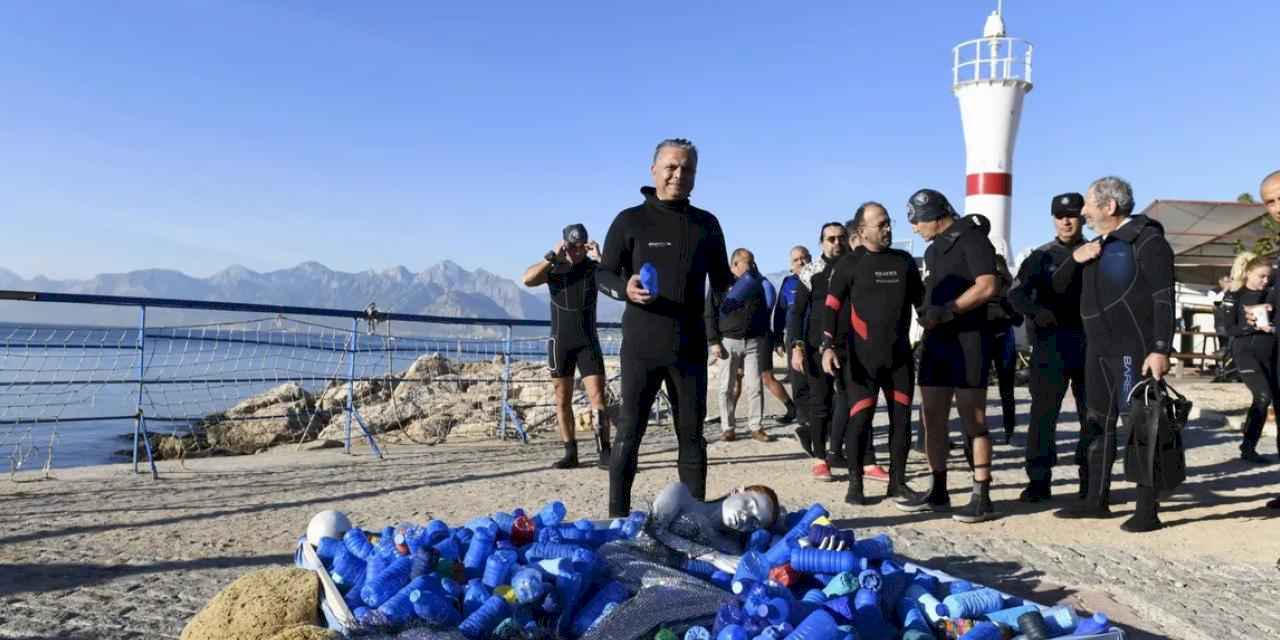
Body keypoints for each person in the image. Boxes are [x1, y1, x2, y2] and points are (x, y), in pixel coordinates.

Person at [598, 138, 735, 518]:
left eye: (687, 168)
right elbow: (603, 273)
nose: (679, 174)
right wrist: (623, 288)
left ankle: (692, 520)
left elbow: (723, 282)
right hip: (642, 345)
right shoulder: (630, 220)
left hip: (689, 347)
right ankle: (617, 518)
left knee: (692, 438)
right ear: (653, 170)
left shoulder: (706, 224)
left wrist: (744, 297)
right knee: (629, 434)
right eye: (671, 167)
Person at [1053, 176, 1175, 533]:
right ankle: (1096, 499)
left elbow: (1164, 296)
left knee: (1140, 426)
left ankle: (1147, 509)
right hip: (1098, 348)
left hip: (1132, 350)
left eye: (1089, 204)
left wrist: (1160, 348)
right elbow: (1056, 288)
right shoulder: (1096, 245)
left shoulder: (1147, 240)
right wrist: (1074, 259)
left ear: (1109, 206)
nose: (1083, 211)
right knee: (1097, 423)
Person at [896, 189, 1000, 523]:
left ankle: (981, 494)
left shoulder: (972, 239)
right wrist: (930, 314)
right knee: (932, 419)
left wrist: (949, 311)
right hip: (937, 342)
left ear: (934, 214)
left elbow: (987, 286)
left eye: (916, 221)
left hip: (970, 340)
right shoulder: (933, 250)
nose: (914, 228)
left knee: (974, 420)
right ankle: (938, 489)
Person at [820, 201, 923, 505]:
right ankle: (856, 485)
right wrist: (827, 347)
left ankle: (897, 482)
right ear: (862, 231)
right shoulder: (849, 264)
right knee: (860, 421)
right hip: (861, 359)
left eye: (889, 222)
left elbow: (923, 305)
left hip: (900, 358)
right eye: (881, 224)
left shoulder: (904, 262)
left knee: (901, 422)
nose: (889, 228)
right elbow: (830, 308)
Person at [1008, 193, 1089, 502]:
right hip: (1050, 346)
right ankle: (1039, 481)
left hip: (1088, 345)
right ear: (1053, 219)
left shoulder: (1097, 252)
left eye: (1072, 215)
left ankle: (1089, 479)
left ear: (1083, 218)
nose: (1066, 221)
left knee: (1091, 417)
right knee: (1043, 418)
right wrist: (1035, 311)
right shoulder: (1040, 256)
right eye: (1060, 216)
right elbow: (1015, 295)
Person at [521, 224, 617, 469]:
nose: (576, 251)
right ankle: (570, 452)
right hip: (560, 342)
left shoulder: (594, 269)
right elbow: (527, 279)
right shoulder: (554, 269)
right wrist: (551, 257)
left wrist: (601, 257)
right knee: (561, 398)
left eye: (580, 247)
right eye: (571, 246)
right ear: (564, 244)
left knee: (598, 397)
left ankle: (604, 452)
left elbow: (618, 283)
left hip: (588, 342)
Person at [787, 222, 848, 482]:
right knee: (820, 403)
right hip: (814, 347)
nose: (836, 243)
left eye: (840, 238)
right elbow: (797, 313)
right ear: (821, 243)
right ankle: (821, 459)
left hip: (849, 346)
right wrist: (797, 347)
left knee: (849, 403)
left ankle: (842, 452)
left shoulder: (855, 266)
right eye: (830, 238)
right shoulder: (810, 272)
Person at [706, 248, 776, 443]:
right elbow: (709, 313)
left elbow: (764, 311)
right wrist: (713, 342)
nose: (752, 266)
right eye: (748, 262)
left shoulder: (756, 284)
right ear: (735, 264)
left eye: (753, 262)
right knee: (725, 387)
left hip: (754, 341)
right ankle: (728, 428)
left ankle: (756, 427)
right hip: (729, 342)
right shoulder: (720, 284)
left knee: (755, 386)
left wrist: (765, 339)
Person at [648, 481, 780, 572]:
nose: (746, 517)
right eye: (749, 505)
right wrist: (714, 557)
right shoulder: (680, 493)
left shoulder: (730, 548)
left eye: (754, 522)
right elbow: (651, 531)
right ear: (737, 491)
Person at [1228, 256, 1278, 464]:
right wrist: (1251, 326)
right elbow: (1226, 328)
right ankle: (1248, 447)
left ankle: (1249, 446)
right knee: (1263, 396)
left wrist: (1271, 323)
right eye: (1261, 276)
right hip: (1245, 354)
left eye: (1268, 276)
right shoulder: (1235, 296)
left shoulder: (1271, 294)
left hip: (1271, 355)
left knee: (1271, 397)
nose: (1265, 281)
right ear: (1248, 273)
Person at [775, 246, 812, 447]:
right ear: (791, 265)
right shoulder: (788, 284)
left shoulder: (820, 280)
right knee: (799, 383)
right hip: (794, 339)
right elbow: (780, 313)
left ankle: (824, 423)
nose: (801, 262)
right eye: (797, 259)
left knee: (818, 383)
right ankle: (804, 422)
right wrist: (777, 339)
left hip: (815, 338)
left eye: (804, 258)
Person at [986, 255, 1022, 445]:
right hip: (995, 337)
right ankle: (1007, 431)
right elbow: (1018, 319)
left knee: (1003, 389)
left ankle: (1008, 430)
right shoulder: (992, 287)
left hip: (999, 338)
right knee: (1003, 390)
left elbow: (1018, 318)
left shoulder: (1007, 290)